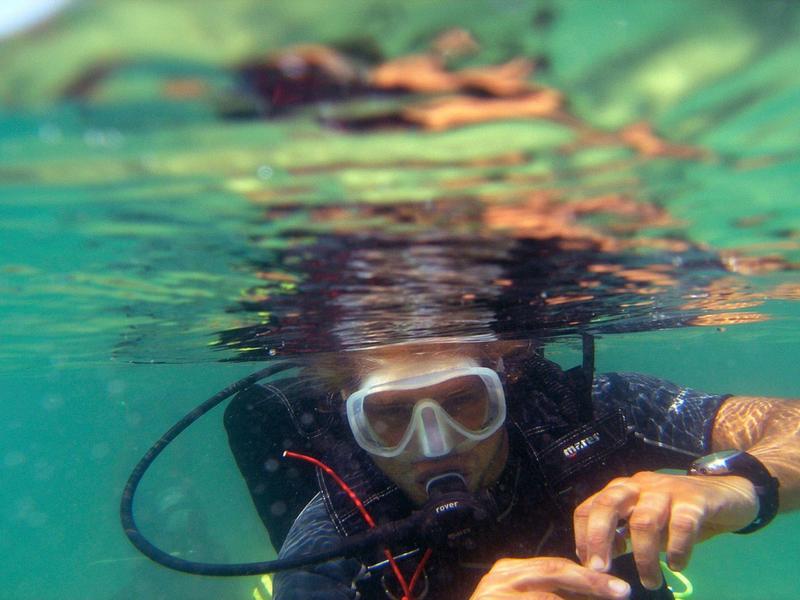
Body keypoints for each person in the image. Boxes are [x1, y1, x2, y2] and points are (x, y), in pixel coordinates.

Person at [224, 338, 799, 600]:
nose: (436, 445)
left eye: (465, 401)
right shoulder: (332, 547)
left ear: (508, 387)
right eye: (390, 415)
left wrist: (743, 480)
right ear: (351, 420)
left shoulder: (594, 415)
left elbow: (787, 423)